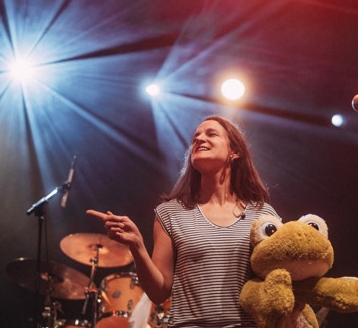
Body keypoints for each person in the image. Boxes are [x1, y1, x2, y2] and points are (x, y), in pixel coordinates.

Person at [87, 115, 280, 327]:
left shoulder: (262, 215)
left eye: (211, 134)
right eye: (195, 137)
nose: (199, 139)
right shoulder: (170, 213)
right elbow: (158, 293)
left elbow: (280, 279)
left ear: (235, 151)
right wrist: (137, 247)